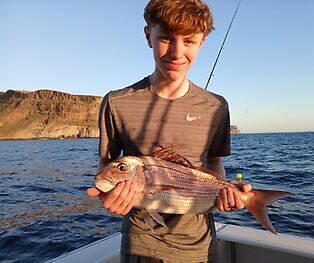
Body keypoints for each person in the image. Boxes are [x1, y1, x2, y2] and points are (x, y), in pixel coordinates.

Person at [87, 0, 252, 262]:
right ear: (148, 36)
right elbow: (106, 165)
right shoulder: (116, 102)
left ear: (202, 42)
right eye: (165, 38)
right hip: (141, 246)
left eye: (189, 41)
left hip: (202, 245)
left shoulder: (217, 106)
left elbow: (214, 163)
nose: (176, 52)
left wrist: (226, 193)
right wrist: (108, 196)